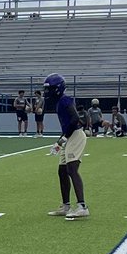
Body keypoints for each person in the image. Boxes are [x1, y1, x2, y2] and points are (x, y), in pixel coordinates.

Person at [45, 73, 89, 219]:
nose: (47, 92)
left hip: (75, 135)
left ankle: (82, 206)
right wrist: (60, 141)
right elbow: (67, 125)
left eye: (49, 89)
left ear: (57, 88)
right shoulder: (59, 101)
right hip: (69, 136)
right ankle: (66, 205)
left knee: (72, 169)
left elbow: (75, 118)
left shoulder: (65, 100)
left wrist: (63, 138)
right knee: (62, 171)